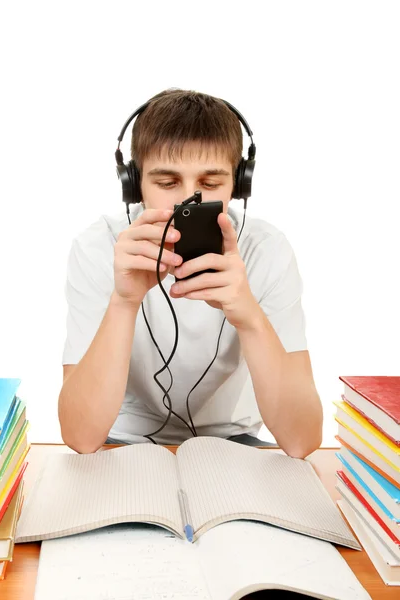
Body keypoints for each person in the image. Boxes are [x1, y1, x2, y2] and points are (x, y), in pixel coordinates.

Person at [58, 88, 323, 457]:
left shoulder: (266, 249)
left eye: (211, 184)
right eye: (166, 183)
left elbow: (302, 440)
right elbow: (81, 438)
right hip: (119, 445)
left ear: (239, 183)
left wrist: (249, 317)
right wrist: (124, 301)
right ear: (133, 185)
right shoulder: (98, 247)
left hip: (234, 448)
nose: (188, 200)